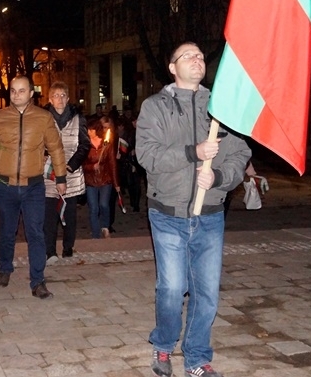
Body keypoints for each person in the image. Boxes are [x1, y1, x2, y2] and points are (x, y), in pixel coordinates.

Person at [136, 42, 251, 377]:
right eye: (188, 56)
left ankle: (197, 357)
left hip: (210, 215)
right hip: (168, 214)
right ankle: (163, 344)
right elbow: (148, 155)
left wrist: (218, 176)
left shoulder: (220, 108)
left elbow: (239, 155)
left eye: (200, 56)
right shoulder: (155, 107)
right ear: (172, 67)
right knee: (171, 289)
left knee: (207, 293)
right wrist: (194, 152)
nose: (197, 60)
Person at [0, 75, 67, 299]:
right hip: (5, 185)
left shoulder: (43, 118)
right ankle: (5, 268)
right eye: (13, 91)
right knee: (6, 231)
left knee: (35, 233)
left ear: (31, 93)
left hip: (33, 186)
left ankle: (38, 280)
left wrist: (61, 177)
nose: (16, 95)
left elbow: (56, 148)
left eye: (22, 91)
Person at [42, 82, 90, 263]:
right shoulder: (43, 118)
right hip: (49, 174)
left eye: (63, 95)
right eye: (55, 95)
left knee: (70, 214)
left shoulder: (79, 118)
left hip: (71, 173)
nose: (59, 99)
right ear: (50, 99)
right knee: (49, 215)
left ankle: (68, 247)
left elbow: (85, 145)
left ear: (68, 98)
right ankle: (50, 251)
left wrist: (71, 165)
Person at [82, 117, 120, 239]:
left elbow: (112, 164)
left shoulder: (106, 144)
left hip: (105, 179)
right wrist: (92, 167)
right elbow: (82, 165)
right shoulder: (85, 145)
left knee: (104, 204)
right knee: (93, 207)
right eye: (88, 129)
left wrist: (116, 183)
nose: (88, 132)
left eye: (91, 130)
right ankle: (95, 233)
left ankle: (105, 226)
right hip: (91, 181)